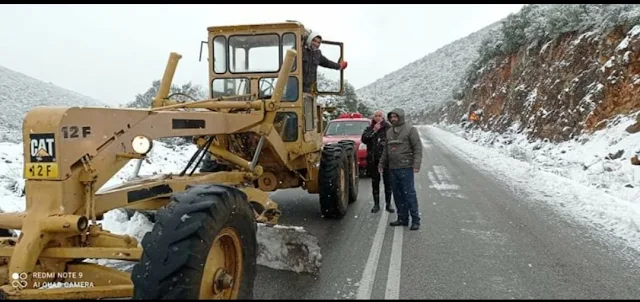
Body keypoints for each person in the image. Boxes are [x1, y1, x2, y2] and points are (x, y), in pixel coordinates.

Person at [378, 108, 423, 230]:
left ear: (401, 117)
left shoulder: (410, 130)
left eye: (395, 117)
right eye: (391, 117)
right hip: (393, 168)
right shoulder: (389, 132)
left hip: (406, 167)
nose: (393, 119)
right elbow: (386, 151)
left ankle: (415, 220)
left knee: (409, 194)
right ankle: (402, 218)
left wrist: (416, 164)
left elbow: (417, 148)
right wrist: (381, 164)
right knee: (397, 195)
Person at [361, 110, 395, 214]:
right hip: (373, 159)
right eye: (376, 116)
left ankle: (388, 204)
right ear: (373, 117)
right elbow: (364, 139)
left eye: (380, 116)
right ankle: (376, 204)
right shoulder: (369, 128)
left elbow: (394, 140)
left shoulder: (388, 128)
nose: (378, 118)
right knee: (375, 182)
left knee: (388, 182)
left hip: (386, 159)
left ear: (383, 117)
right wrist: (374, 131)